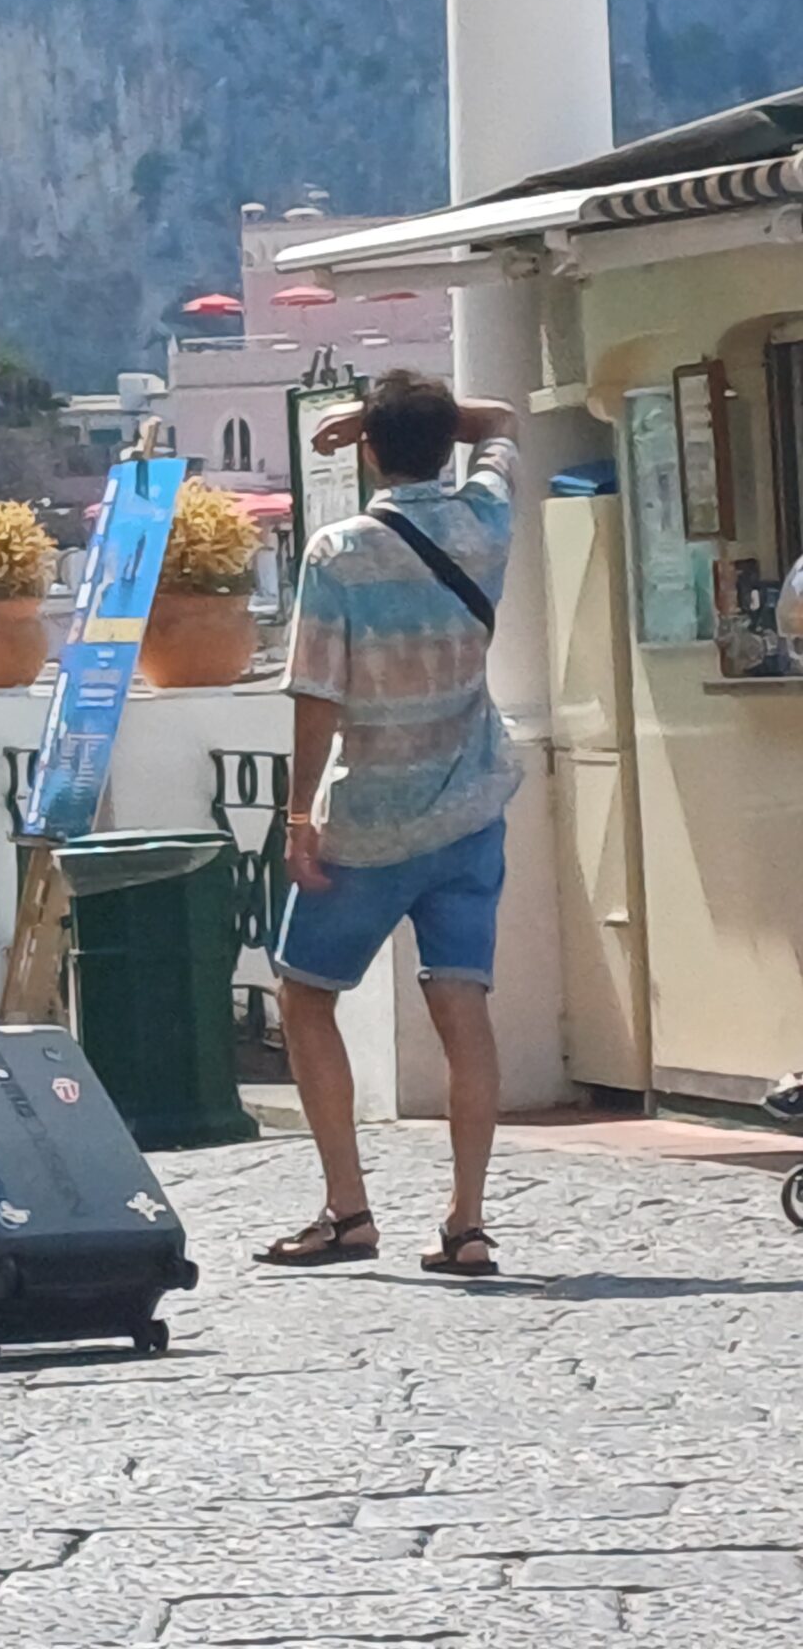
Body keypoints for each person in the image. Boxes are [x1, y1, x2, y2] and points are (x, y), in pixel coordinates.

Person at [257, 372, 522, 1279]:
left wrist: (299, 816)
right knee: (462, 1007)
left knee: (304, 995)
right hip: (472, 805)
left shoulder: (338, 551)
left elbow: (316, 695)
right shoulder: (487, 519)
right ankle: (468, 1222)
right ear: (446, 442)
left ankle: (347, 1207)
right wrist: (389, 421)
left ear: (370, 449)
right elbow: (504, 422)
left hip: (368, 818)